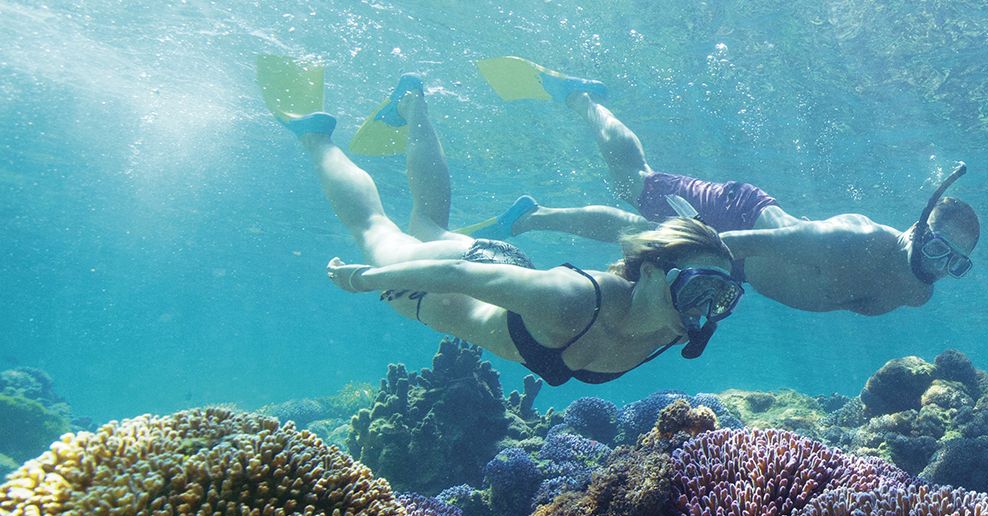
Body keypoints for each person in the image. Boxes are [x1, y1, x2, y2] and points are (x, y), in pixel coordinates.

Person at [258, 58, 744, 386]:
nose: (705, 309)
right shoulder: (572, 301)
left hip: (503, 268)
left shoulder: (675, 326)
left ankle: (412, 106)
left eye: (720, 298)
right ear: (654, 271)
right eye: (699, 288)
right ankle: (315, 135)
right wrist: (366, 279)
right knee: (373, 230)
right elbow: (456, 276)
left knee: (427, 219)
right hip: (437, 286)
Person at [464, 59, 980, 316]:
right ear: (918, 227)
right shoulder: (857, 238)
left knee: (638, 225)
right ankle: (581, 99)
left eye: (955, 263)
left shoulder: (920, 292)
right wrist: (669, 254)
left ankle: (532, 214)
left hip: (740, 263)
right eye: (937, 247)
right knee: (634, 185)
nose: (939, 265)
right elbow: (758, 243)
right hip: (739, 220)